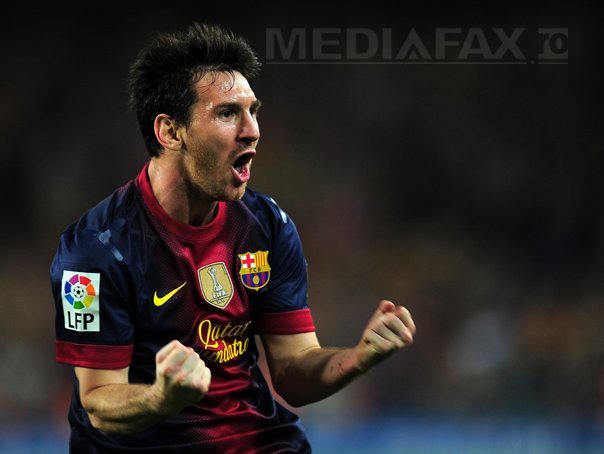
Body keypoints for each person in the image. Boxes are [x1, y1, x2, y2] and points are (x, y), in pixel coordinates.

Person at [50, 22, 416, 453]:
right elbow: (98, 401)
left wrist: (357, 357)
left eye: (252, 111)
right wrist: (161, 398)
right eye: (227, 113)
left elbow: (292, 370)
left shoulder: (267, 225)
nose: (252, 129)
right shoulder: (96, 249)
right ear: (170, 132)